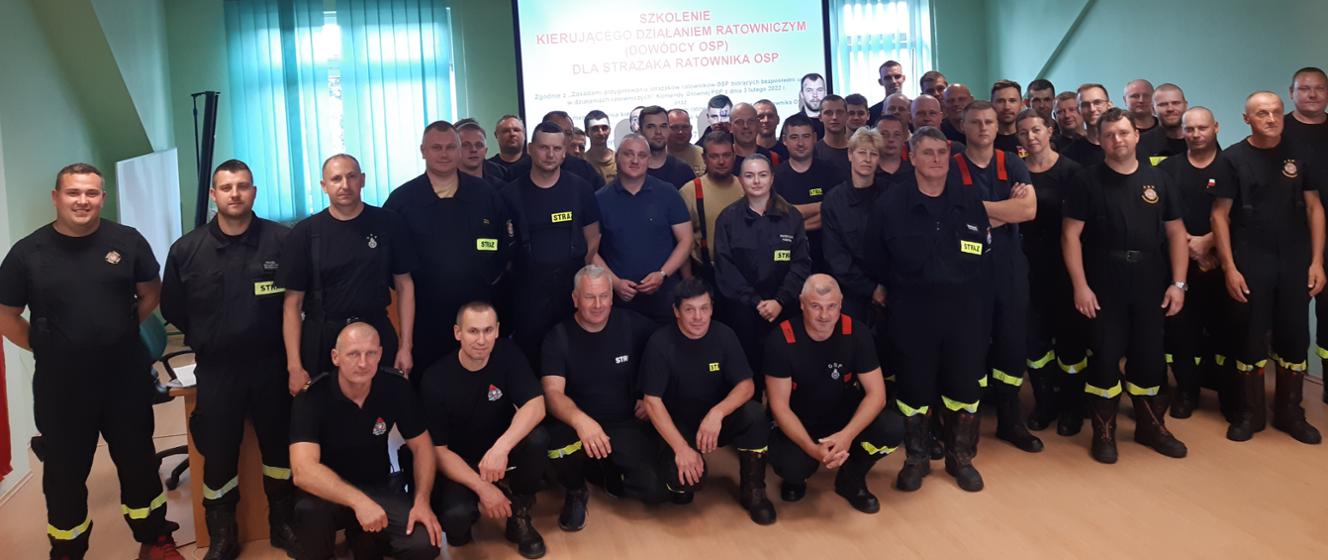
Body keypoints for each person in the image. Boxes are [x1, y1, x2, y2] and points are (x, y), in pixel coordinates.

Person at [0, 163, 183, 559]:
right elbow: (6, 316)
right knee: (64, 474)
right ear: (56, 197)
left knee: (138, 462)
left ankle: (155, 539)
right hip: (62, 387)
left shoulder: (127, 241)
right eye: (73, 192)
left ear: (102, 197)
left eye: (91, 193)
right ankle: (68, 550)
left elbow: (151, 292)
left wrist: (121, 329)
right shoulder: (27, 254)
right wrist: (46, 346)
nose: (82, 200)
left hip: (124, 379)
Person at [160, 160, 297, 559]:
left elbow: (299, 300)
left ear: (254, 191)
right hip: (218, 369)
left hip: (272, 365)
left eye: (242, 186)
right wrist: (211, 335)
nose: (234, 194)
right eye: (226, 187)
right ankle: (223, 535)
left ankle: (282, 524)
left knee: (279, 450)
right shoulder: (186, 250)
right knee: (218, 454)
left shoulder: (282, 241)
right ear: (213, 195)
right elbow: (173, 307)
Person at [863, 128, 991, 492]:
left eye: (941, 152)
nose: (936, 159)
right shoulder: (891, 204)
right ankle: (916, 458)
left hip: (963, 312)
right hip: (912, 313)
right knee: (913, 389)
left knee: (963, 386)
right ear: (912, 157)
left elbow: (984, 253)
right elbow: (874, 256)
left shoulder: (969, 199)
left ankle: (959, 457)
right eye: (928, 153)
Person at [1062, 108, 1190, 464]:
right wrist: (1080, 286)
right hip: (1103, 280)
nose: (1117, 140)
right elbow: (1070, 236)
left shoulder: (1159, 179)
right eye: (1109, 135)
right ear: (1100, 140)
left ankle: (1151, 426)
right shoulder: (1086, 180)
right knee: (1104, 356)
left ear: (1136, 135)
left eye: (1123, 133)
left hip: (1150, 279)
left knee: (1149, 356)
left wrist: (1179, 284)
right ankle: (1104, 431)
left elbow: (1176, 233)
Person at [1211, 91, 1324, 445]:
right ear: (1247, 119)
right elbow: (1219, 216)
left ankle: (1290, 411)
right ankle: (1250, 412)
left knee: (1294, 334)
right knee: (1250, 334)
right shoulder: (1232, 159)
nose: (1272, 119)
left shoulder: (1300, 153)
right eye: (1262, 113)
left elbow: (1314, 208)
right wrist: (1229, 268)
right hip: (1250, 258)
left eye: (1276, 112)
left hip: (1295, 258)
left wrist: (1317, 261)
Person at [288, 323, 441, 560]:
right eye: (353, 354)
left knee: (425, 544)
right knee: (310, 513)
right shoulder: (312, 397)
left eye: (370, 353)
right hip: (327, 493)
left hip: (378, 486)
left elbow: (423, 447)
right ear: (336, 357)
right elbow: (303, 471)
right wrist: (359, 502)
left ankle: (362, 540)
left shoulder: (396, 387)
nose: (363, 363)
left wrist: (422, 502)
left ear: (380, 354)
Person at [541, 265, 667, 531]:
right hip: (577, 426)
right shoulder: (557, 337)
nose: (598, 305)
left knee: (655, 490)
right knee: (553, 443)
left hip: (623, 423)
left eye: (604, 296)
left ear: (612, 297)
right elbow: (552, 394)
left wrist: (651, 394)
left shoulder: (633, 325)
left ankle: (606, 473)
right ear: (575, 299)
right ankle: (576, 491)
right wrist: (581, 421)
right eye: (589, 297)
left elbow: (668, 350)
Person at [640, 279, 776, 523]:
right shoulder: (660, 343)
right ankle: (685, 463)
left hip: (715, 421)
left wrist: (717, 413)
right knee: (683, 484)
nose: (698, 317)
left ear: (712, 308)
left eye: (704, 308)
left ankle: (754, 490)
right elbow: (652, 402)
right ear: (676, 311)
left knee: (755, 416)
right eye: (689, 310)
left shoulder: (725, 335)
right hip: (678, 423)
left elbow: (746, 385)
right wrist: (681, 448)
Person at [765, 275, 903, 512]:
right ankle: (796, 479)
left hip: (842, 417)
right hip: (801, 420)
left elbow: (877, 395)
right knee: (792, 466)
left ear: (840, 304)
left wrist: (847, 435)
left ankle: (851, 477)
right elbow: (780, 408)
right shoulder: (781, 339)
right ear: (802, 304)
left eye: (831, 306)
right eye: (815, 306)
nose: (824, 315)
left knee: (892, 428)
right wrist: (812, 449)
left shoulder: (857, 333)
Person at [279, 154, 417, 392]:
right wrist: (294, 366)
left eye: (351, 177)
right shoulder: (305, 233)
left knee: (382, 406)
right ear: (324, 185)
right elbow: (292, 304)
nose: (345, 185)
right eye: (336, 179)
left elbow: (405, 286)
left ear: (362, 180)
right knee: (323, 410)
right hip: (322, 338)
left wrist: (406, 347)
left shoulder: (389, 223)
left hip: (375, 333)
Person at [384, 121, 512, 375]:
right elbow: (391, 265)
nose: (444, 154)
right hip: (424, 318)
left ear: (459, 150)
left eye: (451, 147)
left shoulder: (486, 194)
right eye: (436, 147)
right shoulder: (402, 201)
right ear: (423, 151)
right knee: (428, 383)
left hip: (478, 314)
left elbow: (503, 248)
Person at [422, 302, 548, 558]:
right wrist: (483, 488)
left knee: (537, 439)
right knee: (456, 524)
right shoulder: (435, 379)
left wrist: (501, 448)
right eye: (473, 331)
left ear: (497, 330)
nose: (481, 340)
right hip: (460, 460)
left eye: (488, 330)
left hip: (500, 449)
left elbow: (536, 405)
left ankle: (520, 511)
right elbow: (439, 451)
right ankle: (482, 500)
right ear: (458, 333)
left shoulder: (508, 354)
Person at [953, 101, 1042, 453]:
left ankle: (1010, 420)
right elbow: (950, 217)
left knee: (1011, 344)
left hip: (1009, 269)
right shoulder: (951, 166)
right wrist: (1007, 211)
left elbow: (1029, 210)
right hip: (967, 271)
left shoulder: (1012, 162)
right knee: (970, 347)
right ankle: (967, 427)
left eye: (989, 121)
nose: (983, 128)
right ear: (963, 126)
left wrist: (975, 213)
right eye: (975, 122)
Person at [500, 121, 601, 369]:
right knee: (531, 363)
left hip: (571, 294)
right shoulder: (509, 195)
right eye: (544, 147)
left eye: (556, 148)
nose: (550, 154)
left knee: (574, 362)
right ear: (531, 149)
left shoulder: (581, 189)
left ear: (564, 151)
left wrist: (583, 275)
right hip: (527, 298)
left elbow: (593, 237)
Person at [1014, 109, 1088, 436]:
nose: (1030, 137)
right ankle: (1045, 403)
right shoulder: (1015, 172)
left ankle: (1073, 406)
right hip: (1027, 270)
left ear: (1049, 130)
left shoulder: (1073, 172)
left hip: (1064, 269)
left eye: (1036, 130)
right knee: (1035, 342)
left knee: (1070, 342)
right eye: (1023, 132)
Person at [1157, 107, 1230, 419]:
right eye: (1190, 129)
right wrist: (1191, 247)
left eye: (1202, 128)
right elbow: (1161, 214)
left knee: (1224, 331)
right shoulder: (1169, 169)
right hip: (1179, 263)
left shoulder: (1231, 165)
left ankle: (1229, 395)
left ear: (1216, 127)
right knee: (1181, 332)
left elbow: (1239, 213)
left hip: (1221, 262)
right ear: (1182, 131)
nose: (1196, 134)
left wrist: (1208, 243)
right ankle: (1187, 392)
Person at [716, 154, 812, 382]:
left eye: (762, 175)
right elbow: (725, 268)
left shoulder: (791, 216)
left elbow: (801, 264)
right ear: (741, 180)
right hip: (744, 312)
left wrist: (780, 300)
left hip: (785, 308)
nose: (757, 181)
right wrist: (755, 302)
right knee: (749, 371)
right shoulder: (727, 219)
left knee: (787, 367)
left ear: (772, 178)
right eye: (749, 176)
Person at [594, 134, 693, 322]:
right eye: (628, 154)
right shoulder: (599, 199)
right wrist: (614, 282)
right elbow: (590, 250)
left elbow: (686, 241)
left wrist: (662, 274)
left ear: (649, 160)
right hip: (620, 300)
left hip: (665, 296)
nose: (635, 160)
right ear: (617, 157)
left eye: (641, 155)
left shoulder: (668, 193)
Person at [1283, 67, 1328, 405]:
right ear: (1292, 93)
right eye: (1304, 89)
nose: (1312, 95)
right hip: (1291, 236)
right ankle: (1288, 397)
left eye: (1319, 88)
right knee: (1291, 316)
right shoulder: (1278, 128)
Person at [822, 127, 888, 327]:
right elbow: (836, 256)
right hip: (850, 295)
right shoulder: (834, 200)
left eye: (873, 154)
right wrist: (871, 290)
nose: (867, 159)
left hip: (890, 290)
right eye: (861, 152)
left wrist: (885, 287)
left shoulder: (892, 194)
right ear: (850, 155)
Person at [774, 114, 844, 273]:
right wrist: (822, 206)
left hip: (827, 259)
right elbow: (777, 218)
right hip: (788, 264)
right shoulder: (775, 176)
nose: (800, 143)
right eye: (794, 137)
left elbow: (836, 214)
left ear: (814, 138)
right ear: (784, 140)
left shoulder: (831, 172)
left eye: (805, 136)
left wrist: (792, 224)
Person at [680, 130, 745, 282]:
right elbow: (681, 242)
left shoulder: (746, 187)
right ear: (704, 158)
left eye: (726, 155)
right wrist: (688, 282)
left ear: (734, 156)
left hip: (744, 272)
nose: (721, 161)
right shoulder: (689, 191)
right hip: (705, 274)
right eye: (714, 156)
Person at [530, 112, 606, 189]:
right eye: (556, 131)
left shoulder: (584, 170)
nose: (562, 137)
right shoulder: (524, 171)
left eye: (568, 133)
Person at [641, 106, 699, 187]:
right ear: (640, 131)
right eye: (651, 127)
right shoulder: (632, 170)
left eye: (663, 126)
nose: (658, 132)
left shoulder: (683, 171)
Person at [1062, 83, 1113, 166]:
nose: (1092, 109)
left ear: (1109, 105)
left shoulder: (1124, 143)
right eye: (1085, 105)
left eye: (1097, 102)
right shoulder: (1069, 155)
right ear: (1079, 110)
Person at [1139, 84, 1191, 161]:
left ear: (1186, 106)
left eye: (1176, 103)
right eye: (1163, 104)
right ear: (1153, 109)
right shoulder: (1141, 144)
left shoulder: (1200, 140)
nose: (1170, 109)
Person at [455, 119, 510, 186]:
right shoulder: (445, 187)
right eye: (466, 145)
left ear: (485, 151)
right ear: (455, 151)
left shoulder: (501, 188)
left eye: (479, 145)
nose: (473, 150)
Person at [814, 94, 853, 177]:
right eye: (828, 113)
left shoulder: (857, 150)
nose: (834, 117)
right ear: (820, 117)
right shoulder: (813, 153)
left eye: (839, 112)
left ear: (847, 116)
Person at [874, 115, 914, 186]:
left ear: (903, 139)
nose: (891, 139)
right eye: (884, 134)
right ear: (874, 138)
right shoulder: (867, 172)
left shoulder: (914, 173)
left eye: (897, 134)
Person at [668, 108, 708, 178]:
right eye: (675, 127)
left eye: (685, 127)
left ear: (691, 128)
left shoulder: (704, 154)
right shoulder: (657, 156)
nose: (680, 132)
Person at [583, 109, 617, 183]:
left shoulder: (619, 159)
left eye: (604, 128)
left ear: (610, 130)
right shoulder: (581, 162)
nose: (601, 133)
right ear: (587, 133)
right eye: (595, 129)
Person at [990, 80, 1025, 153]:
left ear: (1021, 104)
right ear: (991, 105)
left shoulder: (1029, 139)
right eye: (1000, 101)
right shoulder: (985, 140)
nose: (1007, 107)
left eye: (1012, 101)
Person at [489, 114, 528, 179]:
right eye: (506, 131)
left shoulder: (535, 166)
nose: (512, 134)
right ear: (496, 135)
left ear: (524, 134)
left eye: (516, 130)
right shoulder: (487, 168)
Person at [797, 72, 828, 138]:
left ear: (825, 93)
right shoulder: (792, 123)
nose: (815, 95)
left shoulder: (834, 122)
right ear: (802, 94)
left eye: (819, 90)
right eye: (809, 90)